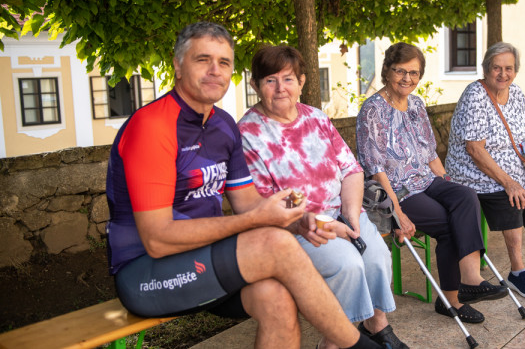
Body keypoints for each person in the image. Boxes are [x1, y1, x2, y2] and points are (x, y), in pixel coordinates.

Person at [106, 22, 382, 349]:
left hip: (205, 260)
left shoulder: (222, 125)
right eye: (202, 60)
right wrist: (256, 221)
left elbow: (250, 203)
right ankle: (362, 346)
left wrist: (299, 221)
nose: (215, 71)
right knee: (274, 243)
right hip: (147, 275)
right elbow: (157, 240)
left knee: (278, 300)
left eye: (224, 63)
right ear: (178, 66)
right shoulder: (152, 127)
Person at [237, 45, 406, 349]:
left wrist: (352, 217)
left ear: (301, 82)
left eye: (288, 79)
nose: (280, 88)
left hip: (344, 211)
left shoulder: (315, 117)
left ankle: (375, 324)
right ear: (256, 85)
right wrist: (317, 219)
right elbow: (264, 201)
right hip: (297, 227)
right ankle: (335, 343)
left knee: (378, 257)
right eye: (270, 80)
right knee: (348, 265)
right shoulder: (248, 134)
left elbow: (351, 170)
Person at [356, 42, 508, 325]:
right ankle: (451, 299)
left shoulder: (416, 104)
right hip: (397, 190)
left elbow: (429, 154)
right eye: (400, 71)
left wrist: (449, 185)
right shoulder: (372, 110)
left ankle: (471, 279)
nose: (407, 79)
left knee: (465, 196)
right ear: (387, 71)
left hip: (425, 180)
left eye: (414, 73)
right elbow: (375, 169)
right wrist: (398, 212)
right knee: (448, 223)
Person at [445, 42, 525, 301]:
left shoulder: (516, 93)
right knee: (512, 197)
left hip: (514, 169)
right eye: (496, 68)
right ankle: (517, 272)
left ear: (516, 71)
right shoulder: (475, 96)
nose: (503, 74)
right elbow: (475, 150)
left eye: (508, 68)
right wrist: (509, 182)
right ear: (486, 69)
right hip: (475, 175)